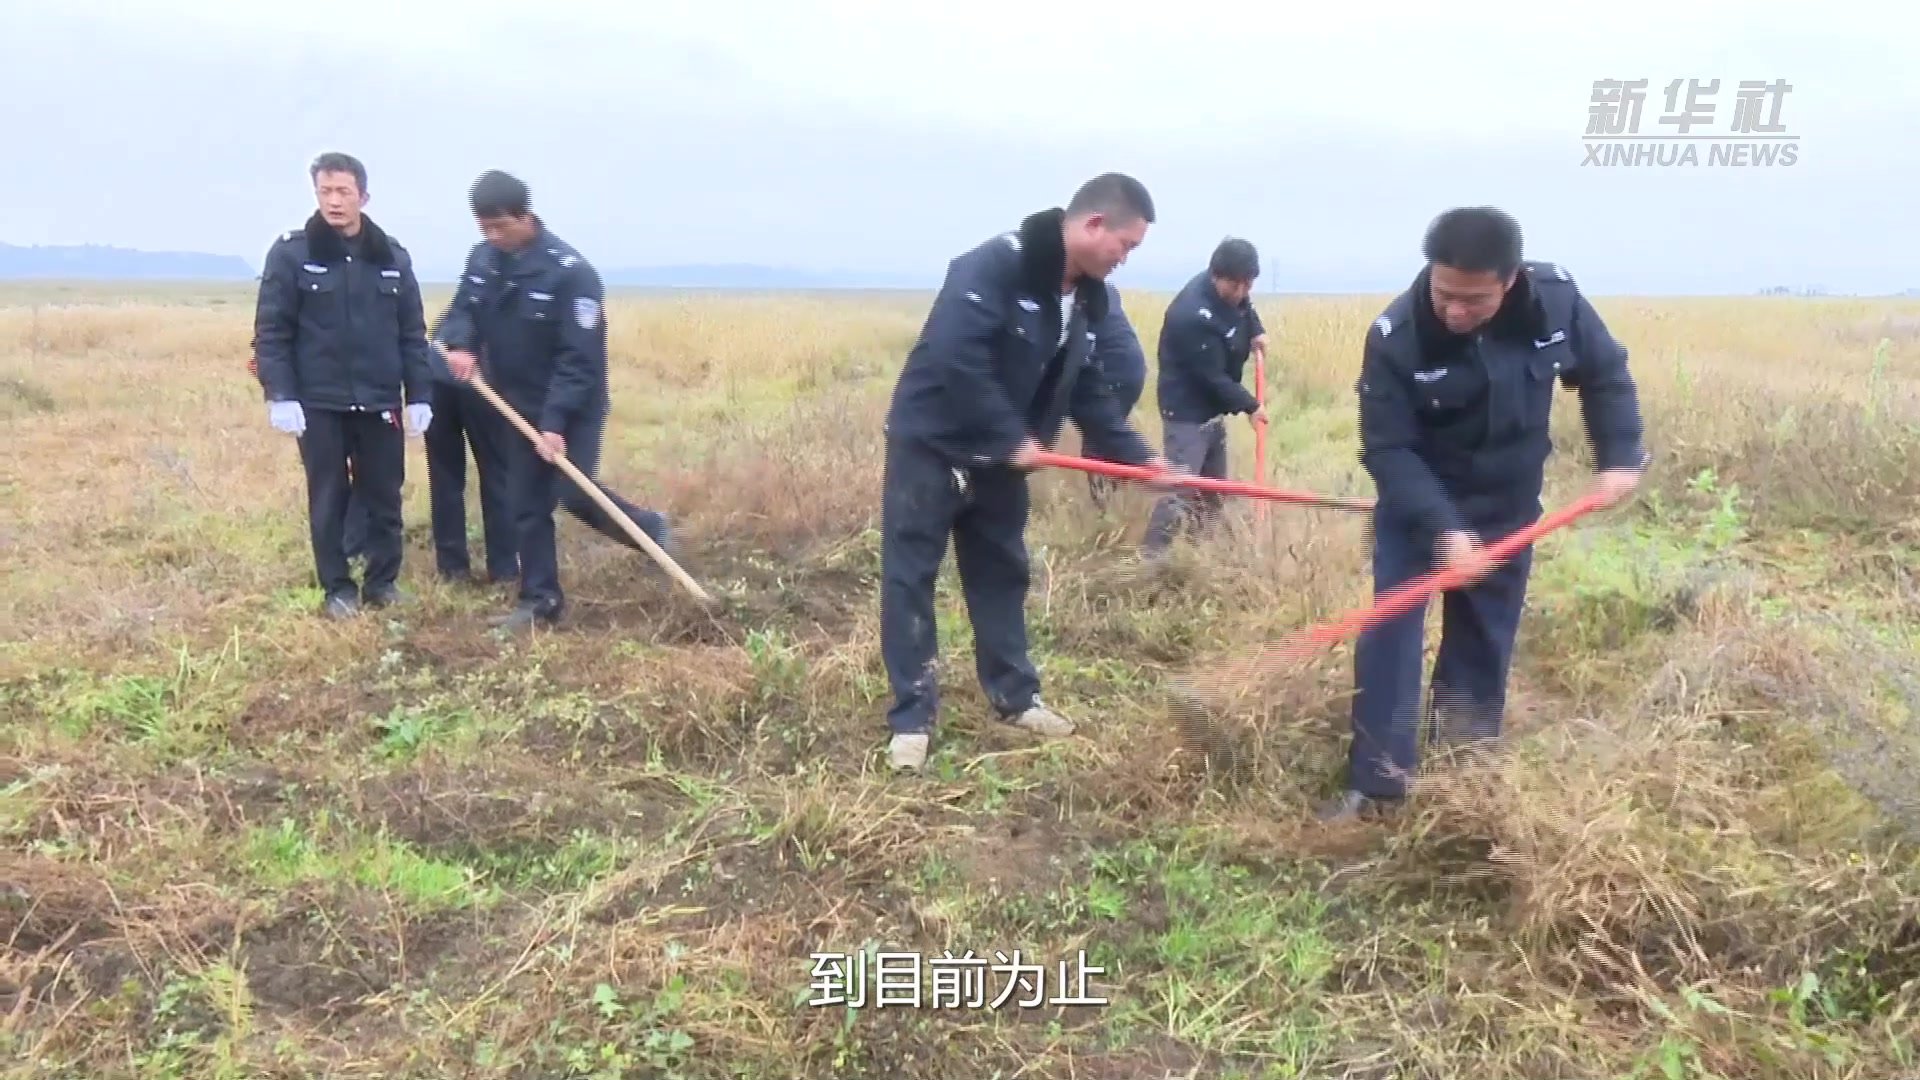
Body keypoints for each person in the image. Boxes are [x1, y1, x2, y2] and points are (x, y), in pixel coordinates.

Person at [1319, 207, 1647, 823]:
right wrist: (1446, 532)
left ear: (1511, 280)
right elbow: (1387, 447)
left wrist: (1620, 457)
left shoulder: (1556, 301)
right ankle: (1377, 787)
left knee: (1484, 636)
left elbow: (1605, 374)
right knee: (1392, 636)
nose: (1456, 311)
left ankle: (1463, 773)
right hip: (1419, 508)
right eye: (1445, 294)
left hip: (1508, 504)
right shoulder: (1396, 335)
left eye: (1475, 299)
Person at [879, 172, 1175, 772]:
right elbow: (956, 358)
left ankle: (1015, 697)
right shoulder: (993, 266)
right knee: (911, 577)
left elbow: (1087, 390)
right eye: (1126, 246)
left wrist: (1138, 458)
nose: (1125, 260)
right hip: (931, 446)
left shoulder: (1091, 299)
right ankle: (912, 718)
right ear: (1094, 224)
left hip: (1001, 463)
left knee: (1001, 573)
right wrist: (1009, 437)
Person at [432, 170, 673, 632]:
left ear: (526, 216)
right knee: (525, 499)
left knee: (568, 491)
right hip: (512, 401)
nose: (492, 236)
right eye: (484, 227)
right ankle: (540, 600)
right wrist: (460, 344)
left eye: (500, 226)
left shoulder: (571, 274)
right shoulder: (483, 259)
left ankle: (649, 528)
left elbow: (578, 359)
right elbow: (463, 308)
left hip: (570, 405)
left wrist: (555, 423)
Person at [253, 152, 434, 619]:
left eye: (343, 192)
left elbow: (412, 333)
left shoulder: (392, 256)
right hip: (319, 402)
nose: (334, 201)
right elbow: (273, 331)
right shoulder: (292, 254)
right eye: (325, 191)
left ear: (363, 196)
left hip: (379, 401)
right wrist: (280, 394)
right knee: (328, 496)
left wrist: (419, 396)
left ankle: (382, 583)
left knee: (385, 495)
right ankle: (337, 587)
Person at [1140, 237, 1268, 556]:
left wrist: (1255, 330)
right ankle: (1152, 558)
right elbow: (1211, 378)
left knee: (1213, 490)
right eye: (1233, 285)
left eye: (1247, 285)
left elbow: (1245, 308)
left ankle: (1201, 554)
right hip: (1186, 412)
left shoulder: (1235, 294)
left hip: (1211, 412)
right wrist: (1251, 406)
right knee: (1180, 488)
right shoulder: (1191, 315)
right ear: (1215, 275)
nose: (1240, 293)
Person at [249, 344, 367, 563]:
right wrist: (278, 386)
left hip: (370, 389)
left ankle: (358, 545)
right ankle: (346, 551)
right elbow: (273, 330)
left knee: (373, 475)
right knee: (330, 478)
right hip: (317, 393)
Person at [421, 325, 518, 586]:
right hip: (467, 376)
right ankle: (498, 569)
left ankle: (471, 569)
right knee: (494, 474)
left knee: (457, 477)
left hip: (447, 371)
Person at [1084, 281, 1148, 508]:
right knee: (1109, 432)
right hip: (1134, 368)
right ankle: (1122, 485)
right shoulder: (1105, 289)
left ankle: (1107, 508)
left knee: (1097, 441)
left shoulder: (1077, 293)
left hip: (1112, 370)